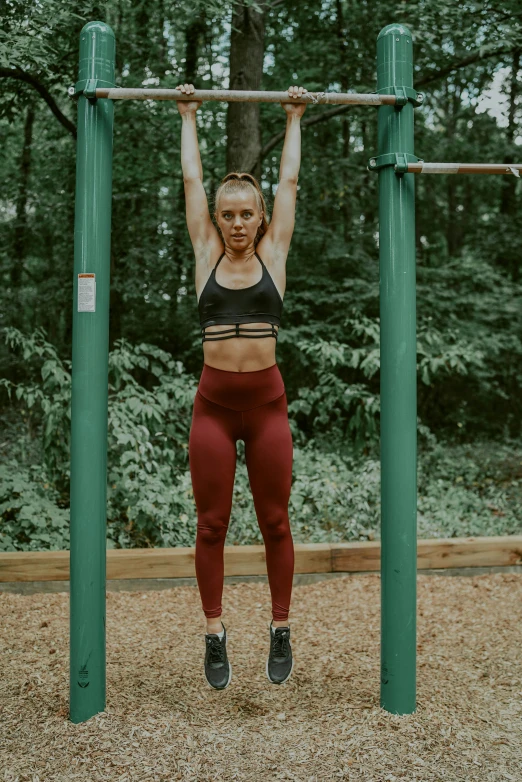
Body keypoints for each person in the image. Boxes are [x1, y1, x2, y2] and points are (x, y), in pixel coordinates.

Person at [176, 82, 307, 690]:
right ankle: (214, 633)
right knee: (211, 524)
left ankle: (280, 627)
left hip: (266, 407)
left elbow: (289, 185)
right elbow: (191, 185)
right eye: (227, 214)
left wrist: (293, 116)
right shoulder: (204, 251)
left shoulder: (274, 251)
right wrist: (187, 115)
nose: (234, 223)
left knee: (276, 521)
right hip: (214, 408)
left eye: (244, 214)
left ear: (259, 219)